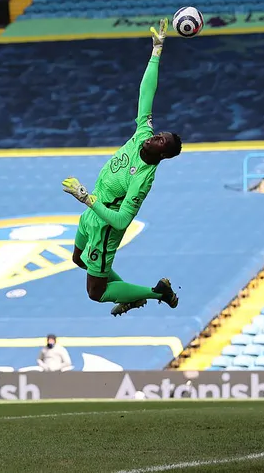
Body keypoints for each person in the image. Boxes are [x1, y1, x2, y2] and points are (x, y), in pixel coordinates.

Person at [62, 18, 181, 317]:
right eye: (158, 134)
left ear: (163, 155)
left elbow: (120, 221)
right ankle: (129, 295)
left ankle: (157, 293)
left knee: (96, 292)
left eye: (160, 141)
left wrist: (86, 198)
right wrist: (157, 52)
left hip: (104, 225)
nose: (155, 137)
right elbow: (146, 94)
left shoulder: (142, 180)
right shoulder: (142, 134)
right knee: (78, 258)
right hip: (91, 213)